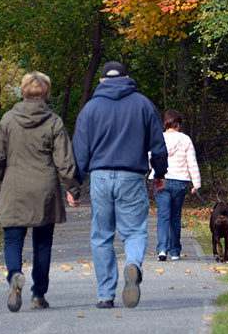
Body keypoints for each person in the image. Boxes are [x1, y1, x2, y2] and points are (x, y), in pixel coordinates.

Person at [69, 61, 167, 309]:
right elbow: (158, 145)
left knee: (101, 236)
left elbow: (80, 150)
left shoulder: (90, 109)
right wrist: (160, 173)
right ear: (127, 78)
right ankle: (132, 264)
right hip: (132, 176)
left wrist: (74, 184)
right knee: (134, 231)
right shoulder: (143, 104)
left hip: (100, 177)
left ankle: (105, 295)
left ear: (101, 81)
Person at [0, 71, 81, 313]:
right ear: (46, 93)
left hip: (14, 186)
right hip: (44, 188)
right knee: (42, 244)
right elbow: (65, 160)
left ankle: (14, 276)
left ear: (23, 91)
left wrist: (4, 176)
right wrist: (73, 188)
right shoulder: (53, 122)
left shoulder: (8, 119)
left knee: (12, 239)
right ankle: (38, 294)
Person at [154, 109, 201, 262]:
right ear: (178, 124)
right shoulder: (185, 140)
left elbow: (151, 158)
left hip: (162, 180)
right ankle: (175, 251)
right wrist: (196, 183)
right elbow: (191, 162)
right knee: (175, 217)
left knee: (163, 216)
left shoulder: (158, 138)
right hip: (180, 181)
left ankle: (162, 249)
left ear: (164, 123)